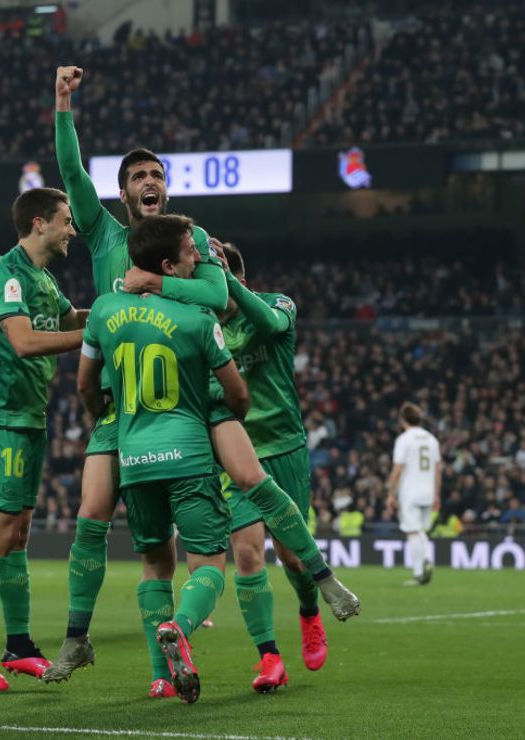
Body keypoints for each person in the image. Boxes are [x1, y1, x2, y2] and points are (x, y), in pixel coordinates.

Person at [44, 65, 359, 688]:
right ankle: (93, 644)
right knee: (105, 525)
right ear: (123, 192)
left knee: (252, 485)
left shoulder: (191, 238)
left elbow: (217, 293)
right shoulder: (104, 232)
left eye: (157, 173)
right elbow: (71, 173)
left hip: (195, 395)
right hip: (127, 403)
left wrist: (156, 282)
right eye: (137, 176)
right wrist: (61, 103)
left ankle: (318, 581)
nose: (149, 180)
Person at [77, 214, 250, 704]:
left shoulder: (105, 311)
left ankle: (159, 677)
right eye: (191, 253)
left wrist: (108, 421)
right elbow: (238, 395)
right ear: (170, 265)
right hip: (190, 455)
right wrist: (224, 418)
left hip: (134, 458)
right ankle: (181, 625)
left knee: (155, 565)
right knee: (209, 566)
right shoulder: (198, 319)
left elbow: (86, 385)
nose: (198, 259)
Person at [0, 187, 87, 691]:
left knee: (19, 532)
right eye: (66, 221)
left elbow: (72, 321)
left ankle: (20, 644)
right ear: (39, 224)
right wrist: (97, 338)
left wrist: (120, 314)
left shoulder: (44, 280)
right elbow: (25, 343)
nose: (73, 229)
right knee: (2, 534)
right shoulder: (4, 275)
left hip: (27, 419)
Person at [215, 241, 328, 692]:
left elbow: (267, 323)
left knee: (294, 559)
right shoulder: (207, 325)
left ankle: (309, 613)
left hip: (283, 447)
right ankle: (269, 657)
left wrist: (226, 284)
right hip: (237, 449)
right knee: (245, 553)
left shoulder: (276, 304)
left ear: (234, 278)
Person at [387, 403, 441, 587]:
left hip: (410, 491)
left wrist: (391, 493)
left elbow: (398, 469)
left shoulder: (404, 439)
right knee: (420, 531)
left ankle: (424, 562)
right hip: (428, 491)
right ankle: (421, 572)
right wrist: (437, 494)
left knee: (412, 531)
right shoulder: (432, 439)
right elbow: (438, 469)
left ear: (403, 420)